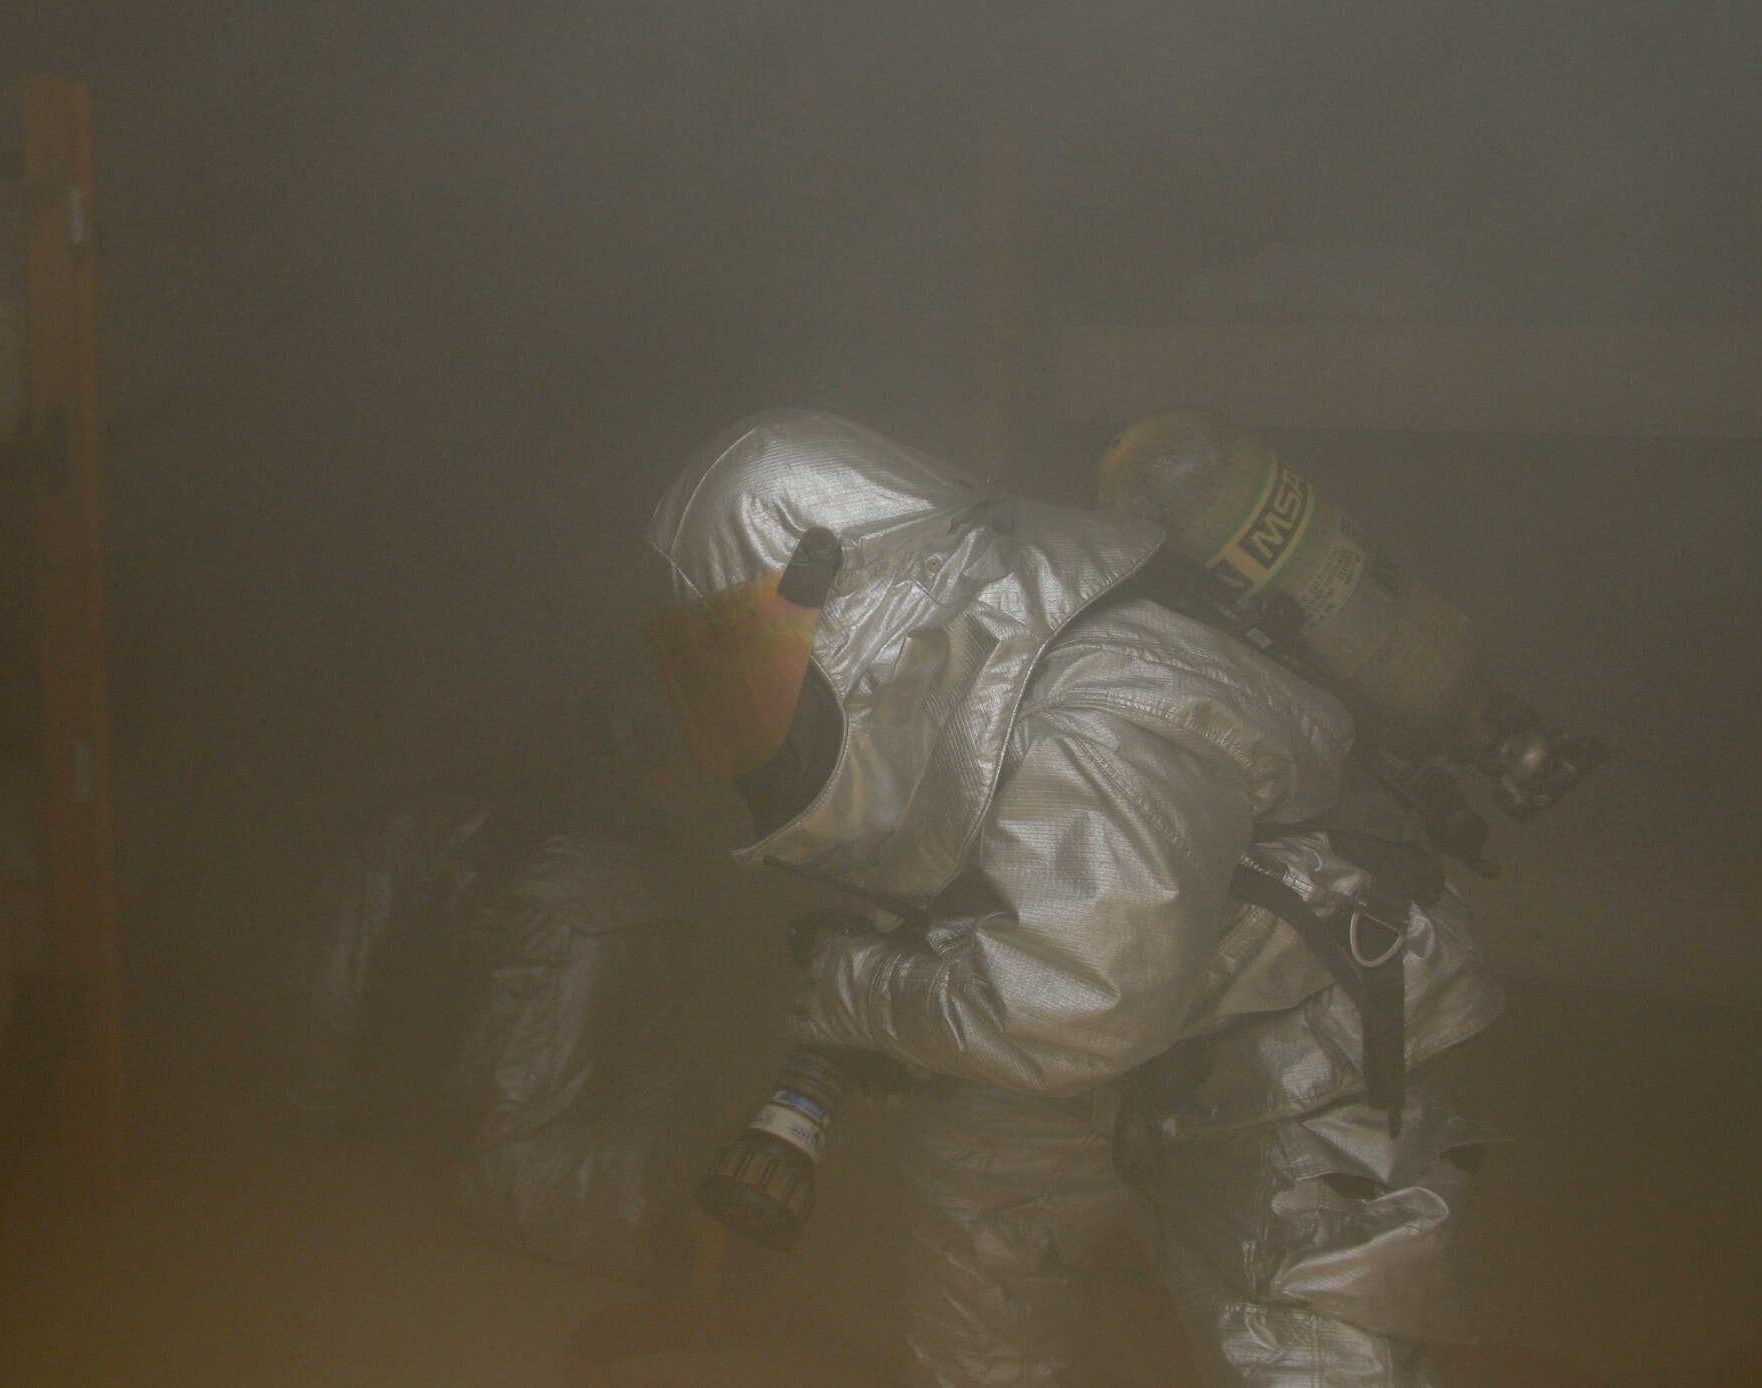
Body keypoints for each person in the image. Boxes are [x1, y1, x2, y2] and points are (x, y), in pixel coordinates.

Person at [644, 410, 1504, 1387]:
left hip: (1304, 1038)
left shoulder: (1104, 706)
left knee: (1302, 1349)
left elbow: (1079, 1004)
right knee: (976, 1177)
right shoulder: (965, 673)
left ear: (863, 602)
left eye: (761, 669)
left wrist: (860, 991)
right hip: (1144, 1007)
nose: (753, 719)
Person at [283, 694, 710, 1280]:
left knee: (506, 1164)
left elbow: (334, 991)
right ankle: (726, 1191)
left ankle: (693, 1200)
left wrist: (314, 1117)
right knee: (633, 1104)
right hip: (668, 906)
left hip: (566, 910)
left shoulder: (378, 849)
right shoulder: (469, 809)